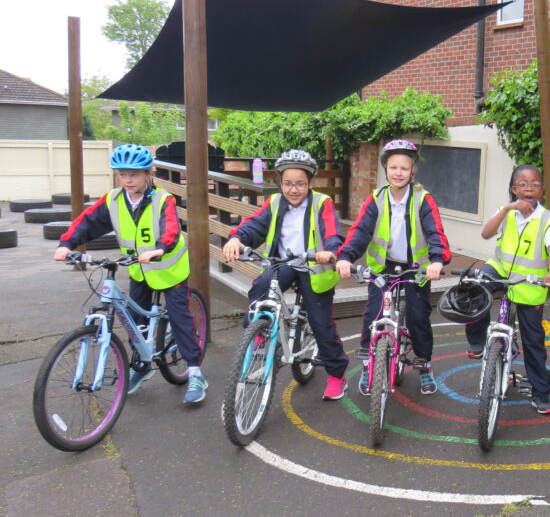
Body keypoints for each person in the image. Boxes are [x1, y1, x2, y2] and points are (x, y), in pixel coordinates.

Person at [54, 143, 207, 403]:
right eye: (122, 174)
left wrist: (160, 248)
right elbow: (88, 221)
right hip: (139, 269)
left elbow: (169, 226)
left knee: (180, 318)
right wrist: (66, 244)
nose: (127, 179)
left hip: (168, 268)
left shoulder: (162, 199)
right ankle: (142, 365)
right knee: (135, 320)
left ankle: (195, 372)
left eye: (134, 174)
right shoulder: (113, 199)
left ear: (149, 174)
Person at [223, 149, 351, 400]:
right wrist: (236, 238)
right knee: (260, 286)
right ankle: (258, 335)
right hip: (282, 263)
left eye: (300, 184)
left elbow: (332, 231)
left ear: (310, 183)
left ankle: (337, 375)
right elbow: (253, 225)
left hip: (315, 267)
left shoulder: (321, 202)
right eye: (288, 184)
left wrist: (331, 251)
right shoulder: (274, 202)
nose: (294, 190)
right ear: (280, 183)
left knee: (321, 325)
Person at [335, 139, 451, 396]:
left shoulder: (422, 199)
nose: (398, 173)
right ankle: (368, 363)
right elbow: (360, 232)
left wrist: (437, 260)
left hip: (416, 268)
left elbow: (435, 232)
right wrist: (345, 257)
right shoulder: (376, 199)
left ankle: (424, 364)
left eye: (404, 168)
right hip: (382, 267)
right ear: (385, 169)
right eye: (393, 167)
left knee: (418, 316)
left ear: (412, 171)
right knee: (373, 314)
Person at [465, 164, 550, 414]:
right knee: (477, 287)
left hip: (530, 283)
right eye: (523, 184)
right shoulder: (506, 211)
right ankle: (478, 343)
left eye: (535, 184)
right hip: (501, 270)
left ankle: (541, 393)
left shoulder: (549, 219)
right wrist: (507, 208)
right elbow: (486, 234)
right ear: (513, 188)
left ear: (542, 189)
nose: (529, 188)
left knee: (534, 341)